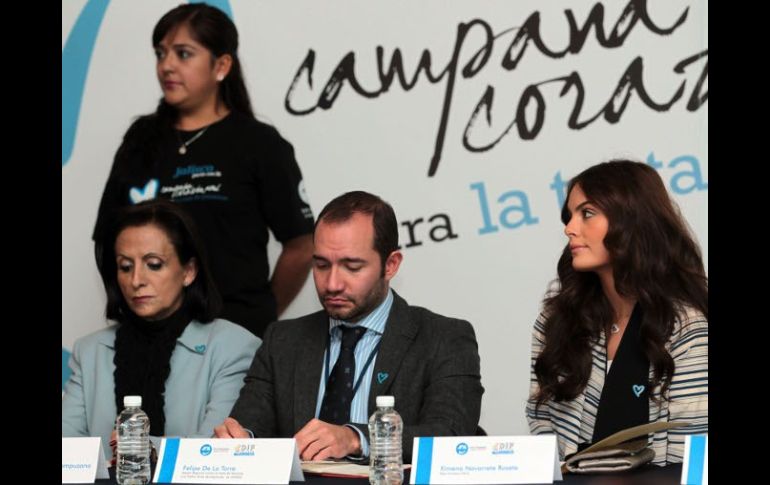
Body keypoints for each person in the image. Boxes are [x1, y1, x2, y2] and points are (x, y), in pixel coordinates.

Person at [92, 3, 314, 338]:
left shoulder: (259, 143)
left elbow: (302, 246)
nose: (166, 66)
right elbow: (108, 238)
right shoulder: (139, 140)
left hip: (237, 336)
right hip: (152, 338)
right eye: (160, 53)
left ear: (221, 65)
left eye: (183, 54)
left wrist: (257, 319)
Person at [214, 191, 484, 462]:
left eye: (352, 267)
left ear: (390, 265)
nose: (332, 284)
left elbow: (451, 436)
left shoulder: (444, 338)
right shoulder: (282, 341)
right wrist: (239, 440)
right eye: (321, 265)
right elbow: (251, 426)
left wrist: (357, 438)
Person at [525, 160, 708, 466]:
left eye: (587, 213)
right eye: (569, 216)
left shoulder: (685, 327)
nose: (569, 228)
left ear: (631, 220)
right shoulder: (556, 321)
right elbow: (541, 420)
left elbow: (691, 455)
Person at [63, 199, 260, 452]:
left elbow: (218, 451)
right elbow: (66, 450)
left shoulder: (234, 347)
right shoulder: (88, 351)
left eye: (153, 264)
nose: (136, 280)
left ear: (189, 270)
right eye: (125, 266)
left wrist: (141, 447)